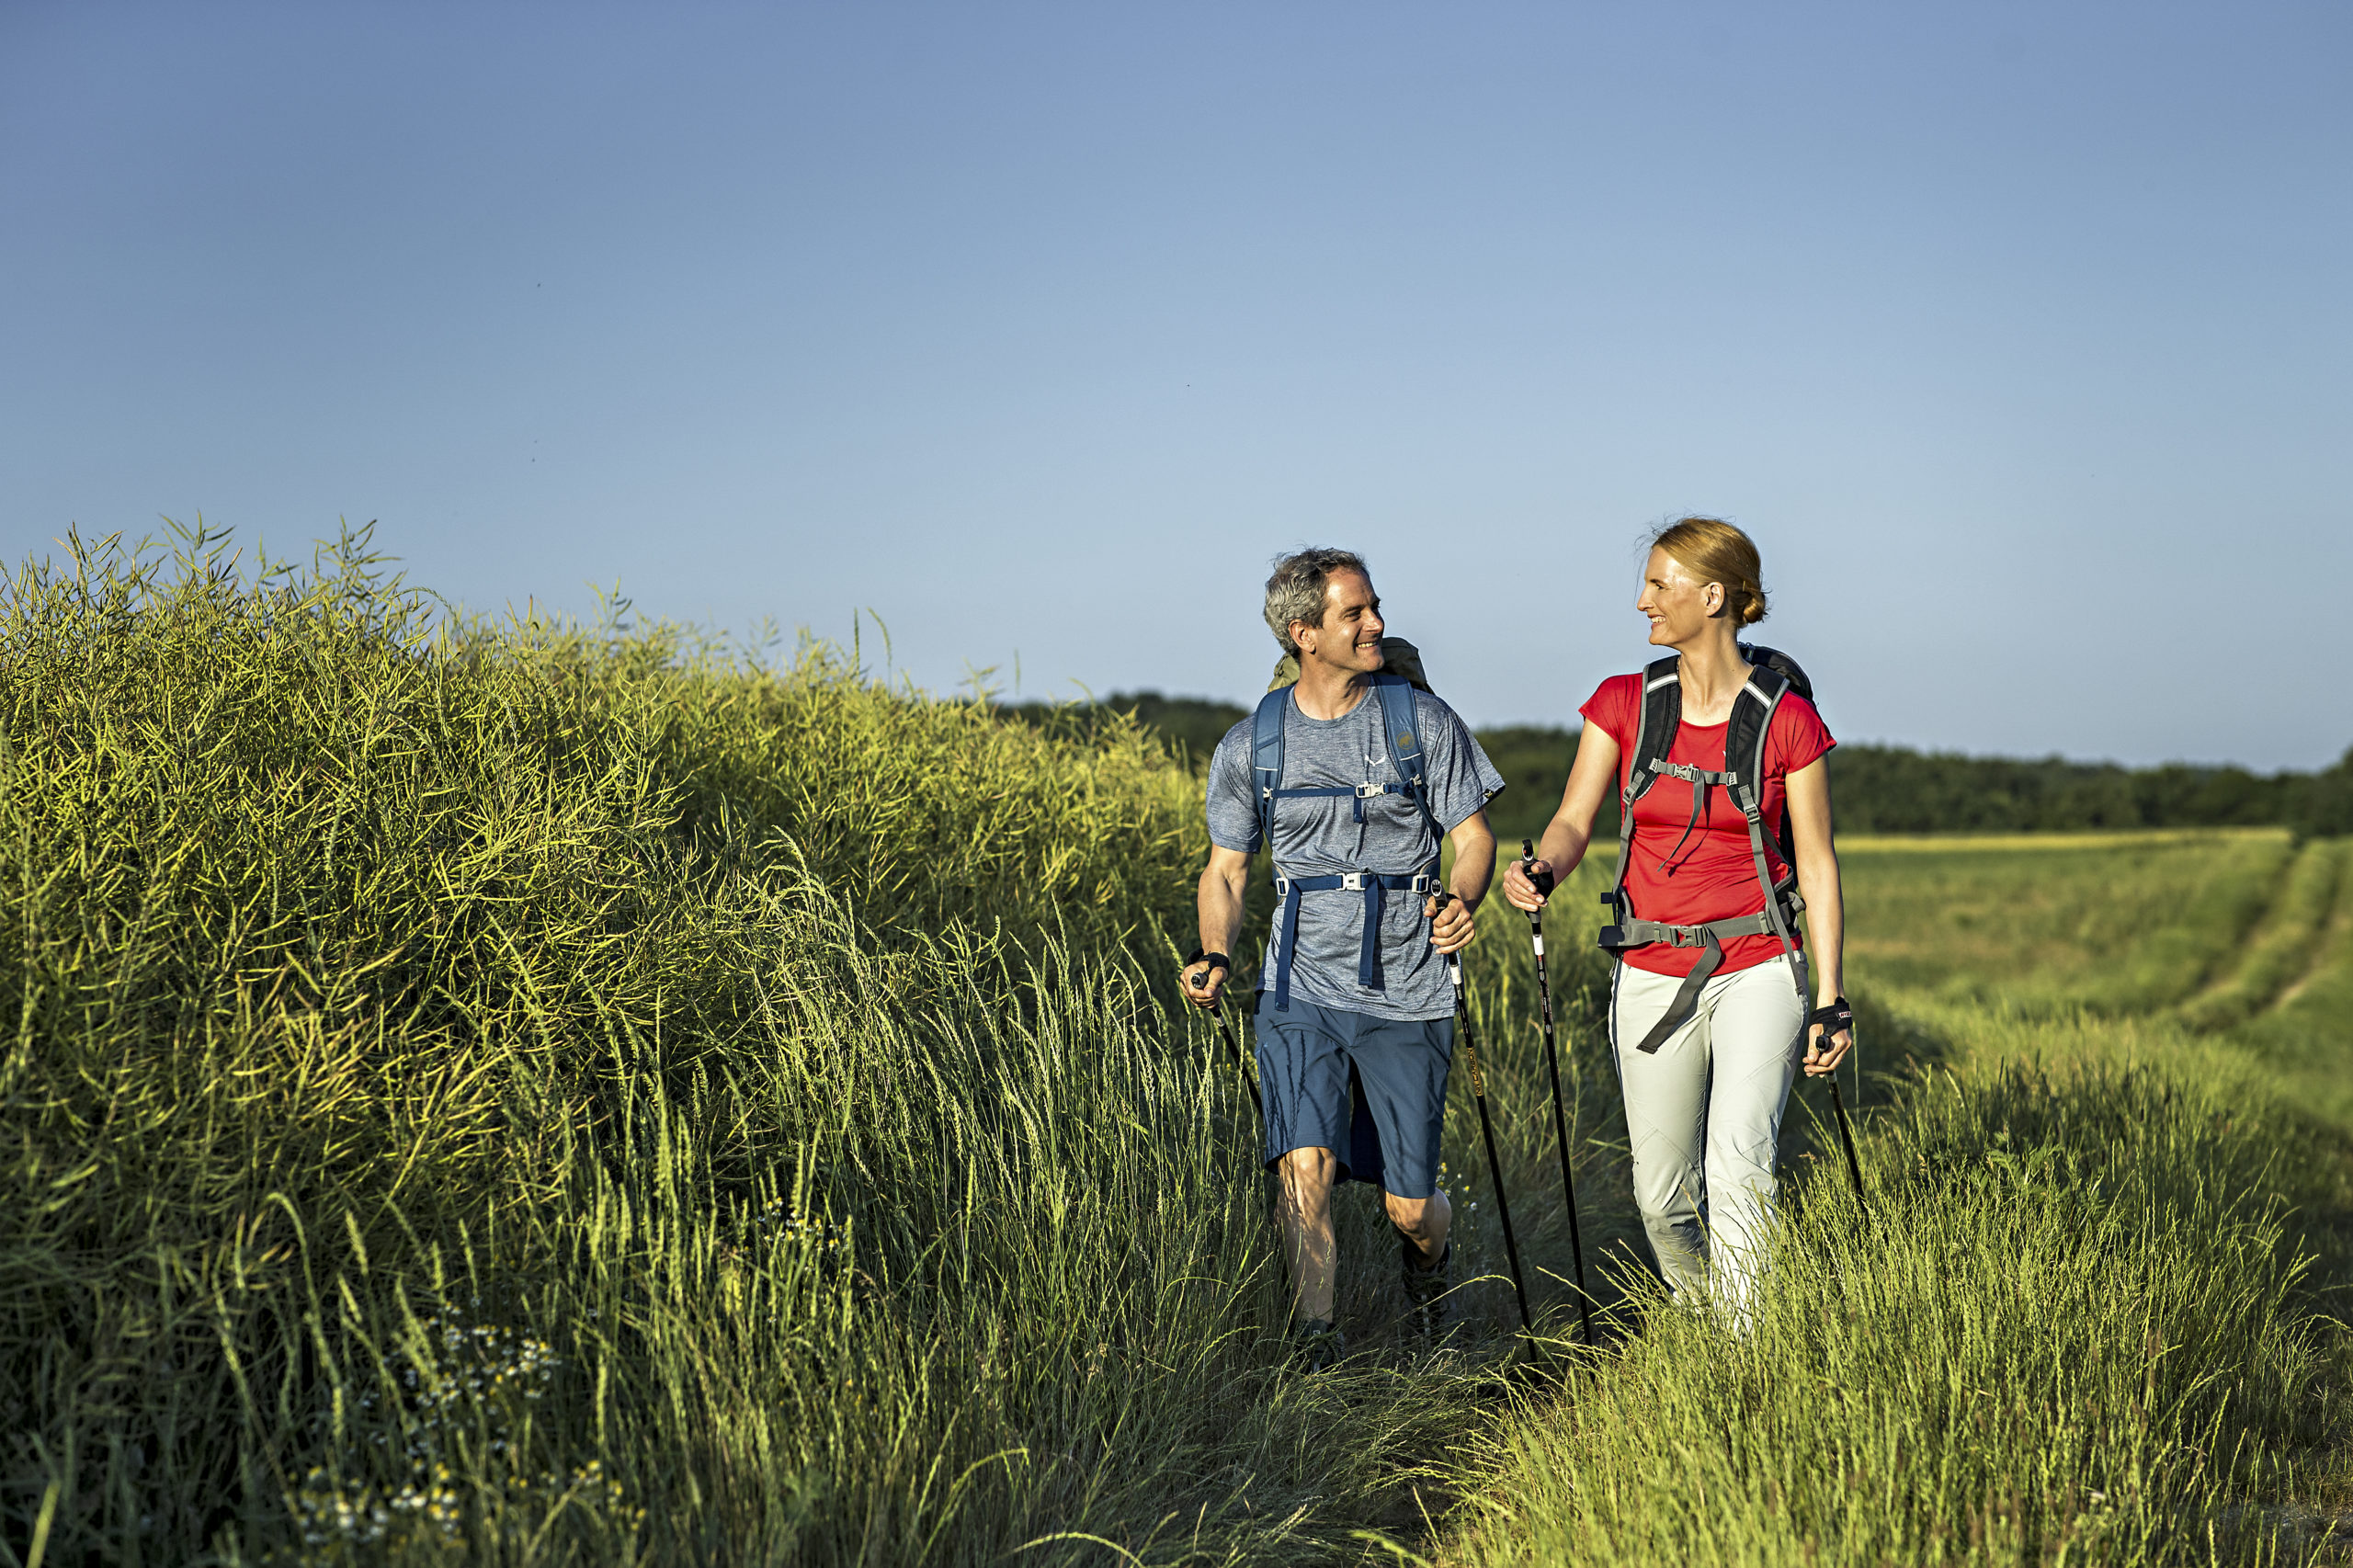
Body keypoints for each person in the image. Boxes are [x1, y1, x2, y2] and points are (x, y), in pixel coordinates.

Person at [1501, 517, 1853, 1322]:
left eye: (1661, 585)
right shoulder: (1624, 704)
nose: (1642, 601)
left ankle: (1745, 1359)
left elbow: (1820, 864)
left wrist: (1830, 998)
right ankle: (1701, 1325)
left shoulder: (1788, 723)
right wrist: (1544, 869)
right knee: (1661, 1198)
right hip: (1648, 966)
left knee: (1740, 1170)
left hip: (1759, 964)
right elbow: (1571, 820)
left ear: (1715, 595)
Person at [1184, 548, 1505, 1365]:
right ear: (1305, 634)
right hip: (1298, 984)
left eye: (1374, 607)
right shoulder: (1251, 746)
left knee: (1408, 1206)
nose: (1377, 625)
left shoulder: (1420, 723)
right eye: (1354, 614)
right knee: (1306, 1167)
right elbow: (1225, 869)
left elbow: (1473, 839)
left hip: (1409, 980)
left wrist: (1462, 900)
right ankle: (1315, 1346)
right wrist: (1215, 953)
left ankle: (1427, 1266)